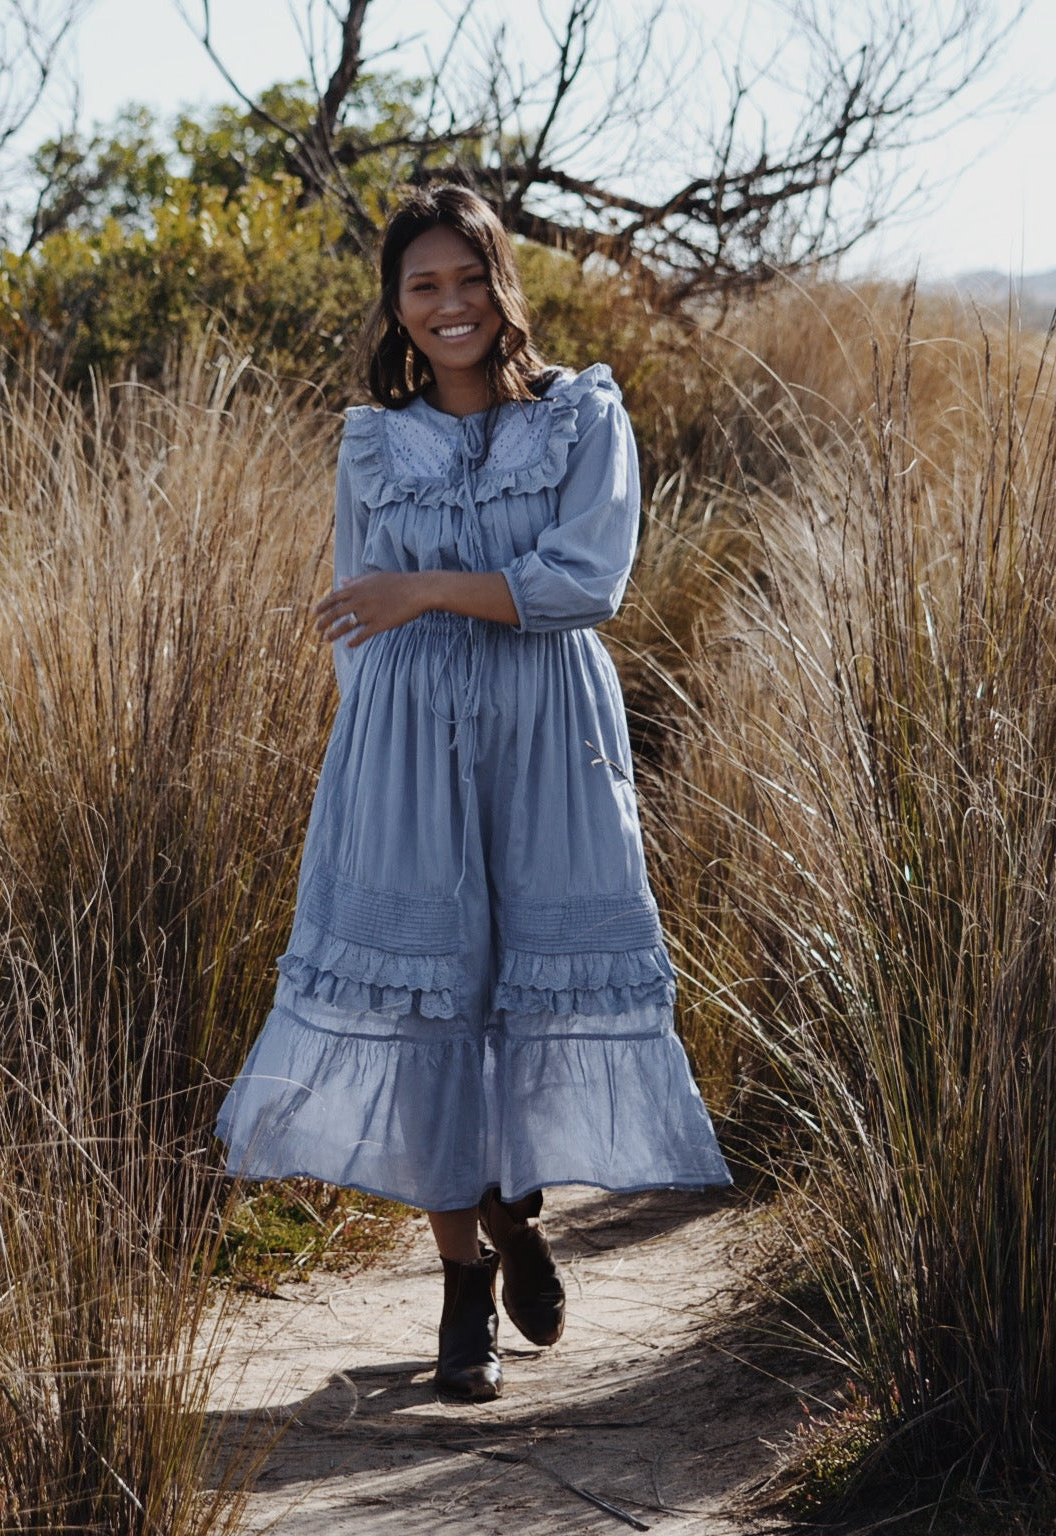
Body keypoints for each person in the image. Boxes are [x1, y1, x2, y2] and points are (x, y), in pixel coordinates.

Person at [215, 184, 731, 1402]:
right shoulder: (371, 439)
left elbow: (583, 581)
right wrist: (382, 756)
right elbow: (358, 613)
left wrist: (433, 590)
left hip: (549, 738)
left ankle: (519, 1213)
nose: (448, 306)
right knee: (430, 1009)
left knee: (526, 995)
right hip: (404, 748)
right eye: (421, 286)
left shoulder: (582, 415)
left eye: (467, 279)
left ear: (505, 286)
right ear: (397, 308)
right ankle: (463, 1291)